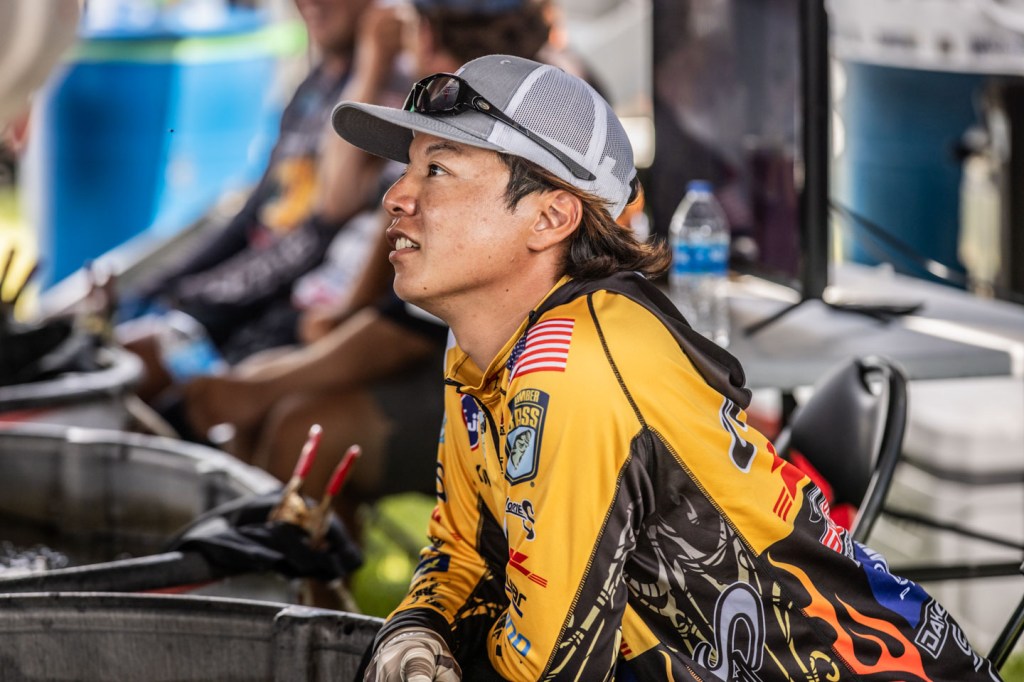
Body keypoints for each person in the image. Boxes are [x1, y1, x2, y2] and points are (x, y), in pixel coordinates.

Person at [331, 54, 1003, 680]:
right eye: (408, 167)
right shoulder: (481, 343)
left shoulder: (574, 369)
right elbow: (465, 552)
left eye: (438, 171)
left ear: (551, 217)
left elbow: (552, 668)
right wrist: (415, 632)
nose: (397, 196)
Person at [182, 0, 593, 542]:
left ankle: (301, 587)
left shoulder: (524, 117)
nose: (395, 196)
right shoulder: (497, 98)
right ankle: (312, 581)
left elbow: (414, 327)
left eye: (435, 170)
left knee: (298, 429)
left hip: (522, 389)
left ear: (424, 35)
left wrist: (268, 385)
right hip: (454, 353)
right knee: (275, 406)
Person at [117, 0, 392, 412]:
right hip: (249, 296)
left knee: (148, 370)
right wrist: (163, 286)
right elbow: (254, 215)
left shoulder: (390, 86)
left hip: (290, 311)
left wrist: (198, 300)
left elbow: (327, 220)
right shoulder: (315, 84)